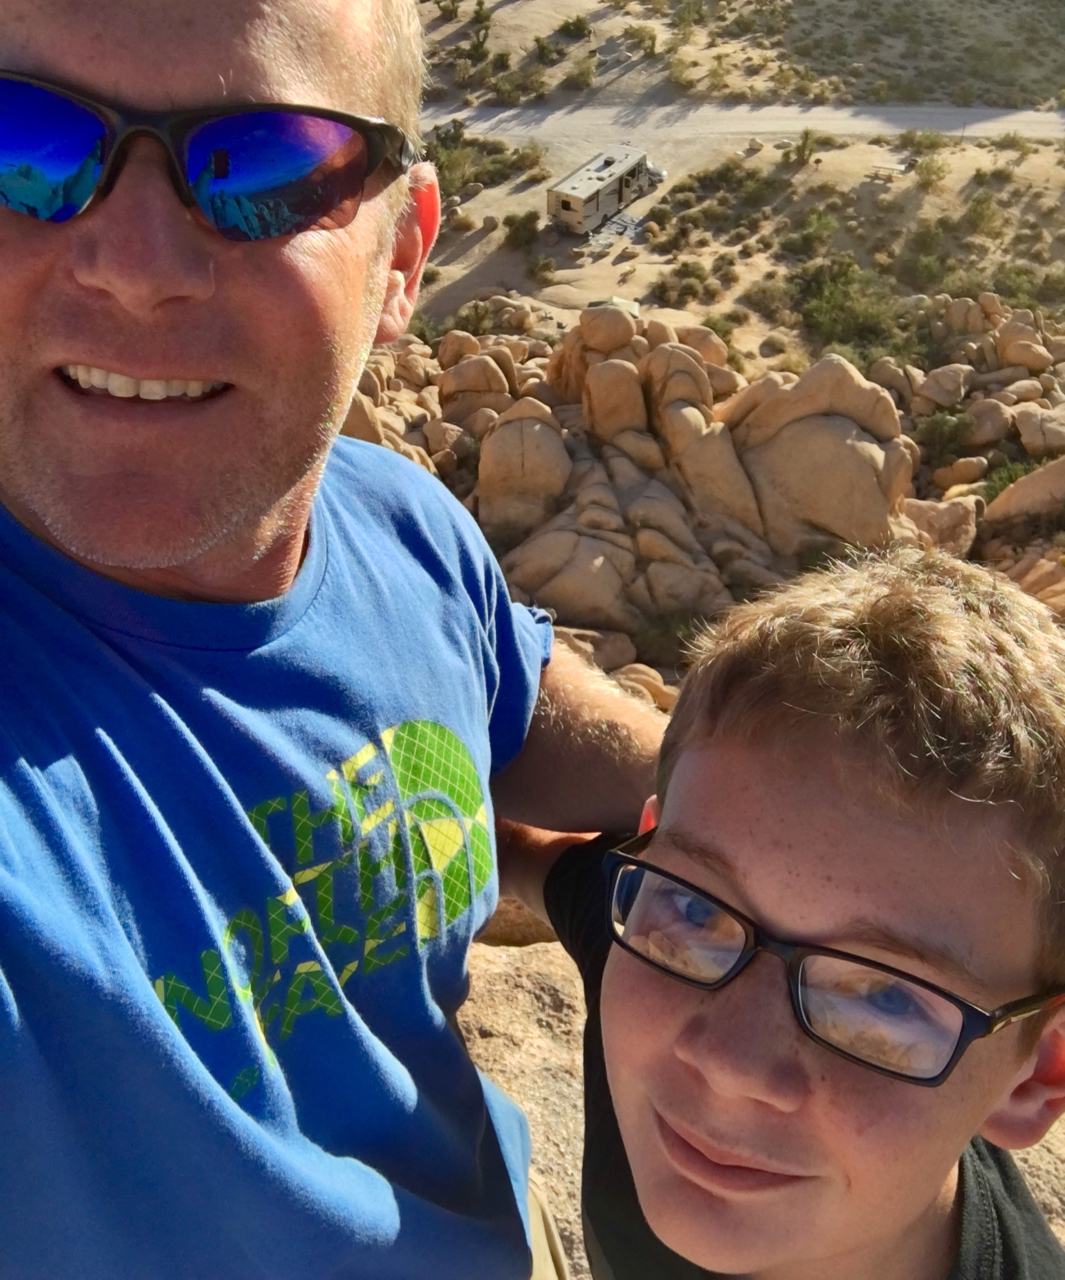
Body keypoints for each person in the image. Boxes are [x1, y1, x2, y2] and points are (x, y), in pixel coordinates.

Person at [0, 1, 667, 1276]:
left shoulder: (396, 522)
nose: (134, 264)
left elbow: (516, 706)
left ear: (402, 256)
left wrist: (731, 809)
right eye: (23, 146)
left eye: (258, 168)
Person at [502, 548, 1065, 1280]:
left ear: (1037, 1072)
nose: (728, 1066)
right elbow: (526, 853)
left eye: (885, 999)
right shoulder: (643, 939)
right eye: (696, 908)